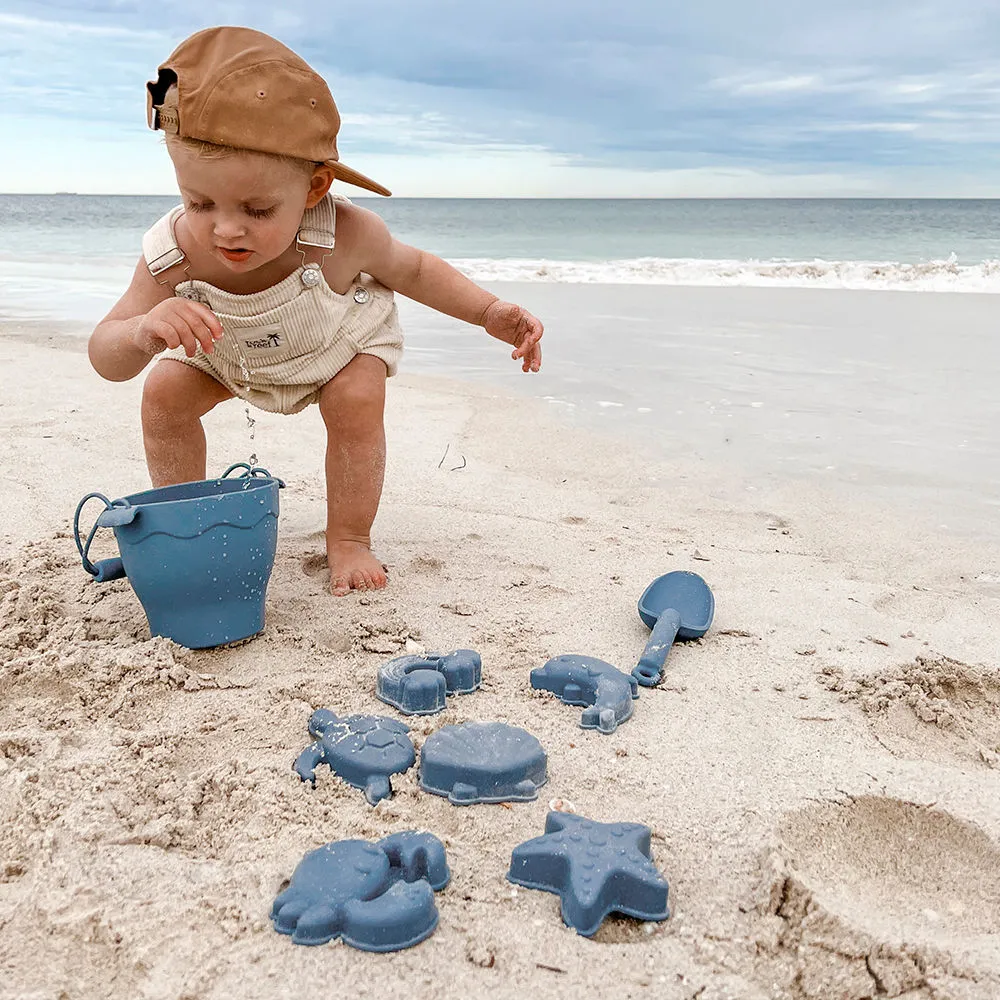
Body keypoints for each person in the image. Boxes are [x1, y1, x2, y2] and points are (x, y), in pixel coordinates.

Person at [88, 26, 544, 597]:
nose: (225, 228)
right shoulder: (174, 255)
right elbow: (105, 354)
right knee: (163, 394)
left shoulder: (344, 233)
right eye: (199, 202)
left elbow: (417, 271)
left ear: (314, 188)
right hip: (232, 359)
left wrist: (490, 311)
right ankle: (187, 523)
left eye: (256, 209)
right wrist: (141, 331)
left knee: (357, 396)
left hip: (337, 348)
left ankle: (349, 538)